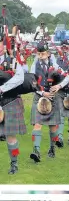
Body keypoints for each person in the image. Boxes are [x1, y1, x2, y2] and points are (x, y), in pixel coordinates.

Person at [30, 42, 69, 162]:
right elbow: (32, 82)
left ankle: (52, 148)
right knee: (37, 124)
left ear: (48, 54)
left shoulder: (55, 65)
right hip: (39, 97)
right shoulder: (35, 65)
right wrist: (42, 93)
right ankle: (36, 151)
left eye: (42, 53)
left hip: (52, 98)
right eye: (38, 53)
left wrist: (59, 86)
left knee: (53, 127)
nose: (40, 56)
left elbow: (68, 77)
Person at [0, 32, 26, 174]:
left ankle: (14, 163)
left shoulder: (11, 60)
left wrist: (2, 88)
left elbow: (20, 77)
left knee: (10, 136)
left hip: (9, 101)